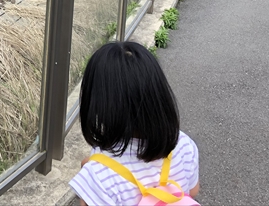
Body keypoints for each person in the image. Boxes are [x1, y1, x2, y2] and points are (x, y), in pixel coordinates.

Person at [70, 42, 200, 206]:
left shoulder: (99, 175)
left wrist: (90, 177)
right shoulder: (182, 143)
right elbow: (192, 191)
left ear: (97, 104)